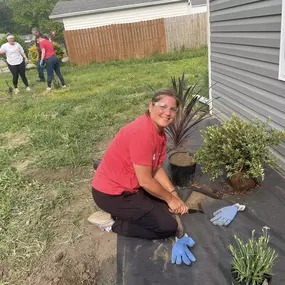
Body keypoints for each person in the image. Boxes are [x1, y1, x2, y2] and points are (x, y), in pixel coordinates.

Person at [89, 88, 189, 240]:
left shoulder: (158, 132)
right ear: (151, 107)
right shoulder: (142, 133)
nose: (168, 113)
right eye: (162, 106)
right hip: (112, 194)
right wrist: (170, 199)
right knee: (167, 227)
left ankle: (129, 212)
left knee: (162, 203)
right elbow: (146, 181)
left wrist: (173, 193)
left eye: (172, 109)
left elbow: (156, 168)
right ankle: (111, 224)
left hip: (129, 186)